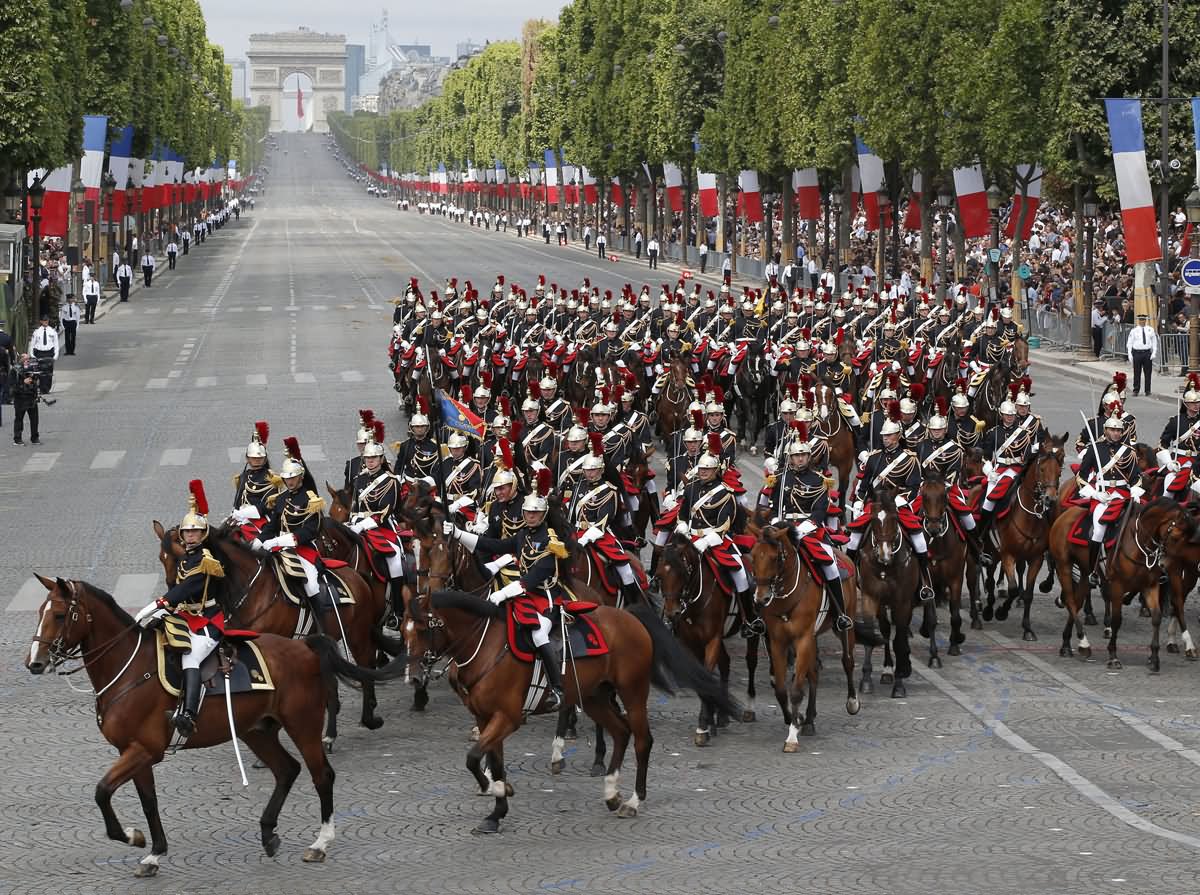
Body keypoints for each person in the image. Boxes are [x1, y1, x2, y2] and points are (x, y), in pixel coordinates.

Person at [446, 471, 570, 710]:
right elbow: (494, 544)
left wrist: (502, 593)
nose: (530, 517)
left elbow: (532, 579)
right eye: (528, 513)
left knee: (538, 634)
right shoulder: (522, 534)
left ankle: (557, 688)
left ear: (543, 515)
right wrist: (459, 534)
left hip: (546, 599)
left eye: (535, 513)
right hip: (524, 596)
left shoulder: (550, 541)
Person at [133, 481, 229, 737]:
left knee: (191, 656)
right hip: (186, 615)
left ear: (203, 534)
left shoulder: (206, 561)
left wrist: (158, 604)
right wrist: (162, 613)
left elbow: (183, 590)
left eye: (195, 532)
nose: (190, 536)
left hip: (207, 621)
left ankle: (189, 714)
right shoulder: (186, 557)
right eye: (186, 532)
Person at [253, 438, 325, 601]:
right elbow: (273, 526)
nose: (290, 481)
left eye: (293, 478)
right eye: (287, 478)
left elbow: (311, 530)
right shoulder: (281, 498)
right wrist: (258, 540)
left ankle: (321, 622)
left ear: (301, 477)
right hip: (279, 548)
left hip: (302, 548)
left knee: (312, 586)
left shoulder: (310, 499)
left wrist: (280, 541)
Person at [1076, 413, 1141, 585]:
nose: (1116, 433)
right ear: (1106, 430)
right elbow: (1081, 477)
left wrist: (1135, 490)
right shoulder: (1094, 449)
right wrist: (1095, 494)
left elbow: (1136, 476)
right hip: (1102, 496)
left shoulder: (1129, 451)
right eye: (1112, 430)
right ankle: (1092, 571)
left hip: (1122, 494)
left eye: (1119, 430)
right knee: (1098, 530)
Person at [11, 353, 40, 444]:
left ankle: (34, 437)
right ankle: (17, 438)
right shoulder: (15, 371)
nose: (28, 361)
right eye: (25, 359)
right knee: (19, 419)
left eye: (28, 359)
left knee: (34, 419)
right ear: (20, 360)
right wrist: (23, 382)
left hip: (31, 397)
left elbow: (36, 383)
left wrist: (34, 379)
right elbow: (12, 387)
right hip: (20, 399)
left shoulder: (32, 369)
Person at [1126, 313, 1157, 396]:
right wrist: (1129, 354)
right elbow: (1129, 343)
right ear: (1138, 321)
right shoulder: (1134, 330)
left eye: (1143, 319)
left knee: (1148, 373)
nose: (1142, 321)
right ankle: (1136, 390)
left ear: (1146, 320)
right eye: (1140, 320)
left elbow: (1154, 342)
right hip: (1137, 353)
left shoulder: (1150, 329)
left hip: (1147, 353)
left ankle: (1147, 390)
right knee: (1137, 372)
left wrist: (1154, 352)